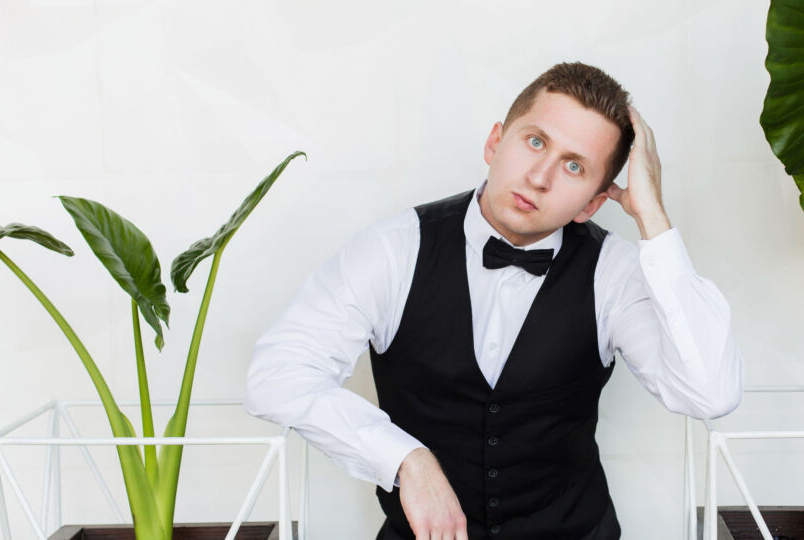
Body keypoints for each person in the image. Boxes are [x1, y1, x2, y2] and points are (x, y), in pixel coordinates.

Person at [245, 61, 743, 540]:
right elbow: (278, 373)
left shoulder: (613, 272)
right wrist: (404, 459)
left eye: (574, 166)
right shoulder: (394, 250)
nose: (540, 176)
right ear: (494, 141)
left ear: (593, 202)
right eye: (535, 141)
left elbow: (710, 393)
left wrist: (652, 215)